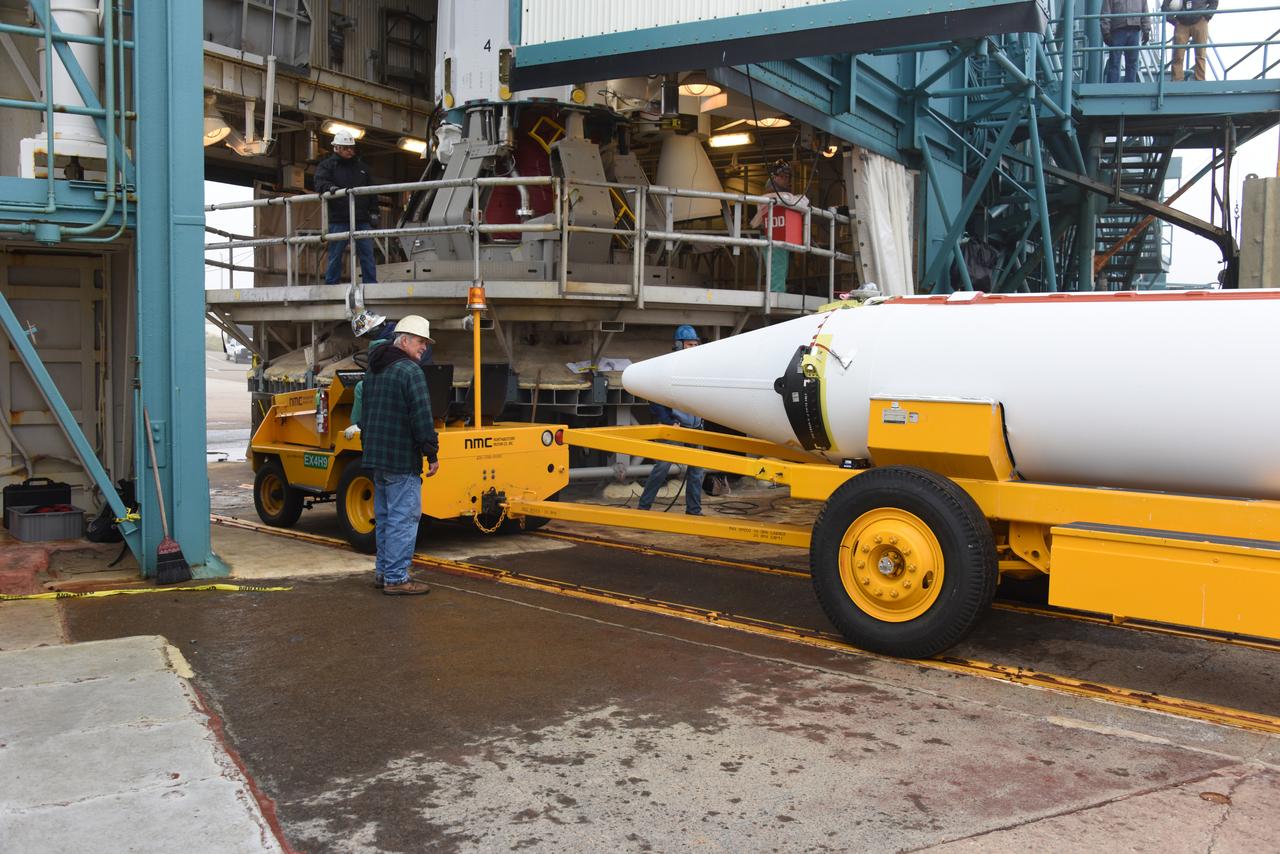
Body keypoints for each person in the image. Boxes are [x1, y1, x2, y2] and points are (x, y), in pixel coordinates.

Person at [360, 315, 439, 595]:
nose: (424, 348)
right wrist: (431, 453)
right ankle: (396, 579)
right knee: (403, 519)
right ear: (404, 340)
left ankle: (383, 572)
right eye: (420, 342)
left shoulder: (373, 370)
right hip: (401, 458)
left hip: (377, 458)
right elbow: (422, 416)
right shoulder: (410, 371)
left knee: (385, 518)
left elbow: (364, 415)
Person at [637, 325, 706, 516]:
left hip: (696, 427)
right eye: (690, 344)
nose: (694, 348)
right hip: (675, 426)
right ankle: (643, 509)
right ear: (679, 344)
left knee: (697, 471)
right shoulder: (668, 367)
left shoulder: (699, 368)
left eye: (695, 344)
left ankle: (694, 511)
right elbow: (655, 397)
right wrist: (668, 421)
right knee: (661, 469)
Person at [314, 129, 378, 285]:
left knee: (367, 254)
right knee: (335, 254)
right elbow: (320, 182)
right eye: (346, 148)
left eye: (351, 148)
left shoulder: (362, 168)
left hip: (361, 218)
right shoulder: (327, 166)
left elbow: (372, 191)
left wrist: (374, 211)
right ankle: (331, 284)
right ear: (337, 148)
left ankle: (370, 284)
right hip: (339, 218)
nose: (350, 151)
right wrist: (330, 188)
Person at [750, 161, 809, 294]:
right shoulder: (771, 196)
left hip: (779, 233)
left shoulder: (779, 195)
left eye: (787, 177)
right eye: (782, 176)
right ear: (773, 177)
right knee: (777, 269)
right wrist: (801, 199)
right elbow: (798, 202)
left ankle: (777, 293)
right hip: (772, 234)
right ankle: (775, 295)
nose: (786, 179)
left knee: (780, 268)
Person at [1164, 0, 1218, 81]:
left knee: (1201, 53)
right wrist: (1174, 21)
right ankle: (1177, 80)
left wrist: (1207, 15)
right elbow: (1165, 6)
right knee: (1178, 54)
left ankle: (1200, 80)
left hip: (1200, 21)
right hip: (1181, 22)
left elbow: (1214, 2)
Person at [1102, 0, 1152, 83]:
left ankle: (1128, 86)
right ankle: (1113, 87)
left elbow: (1145, 11)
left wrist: (1146, 30)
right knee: (1115, 61)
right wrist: (1106, 32)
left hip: (1133, 30)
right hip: (1118, 30)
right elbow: (1105, 12)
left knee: (1131, 61)